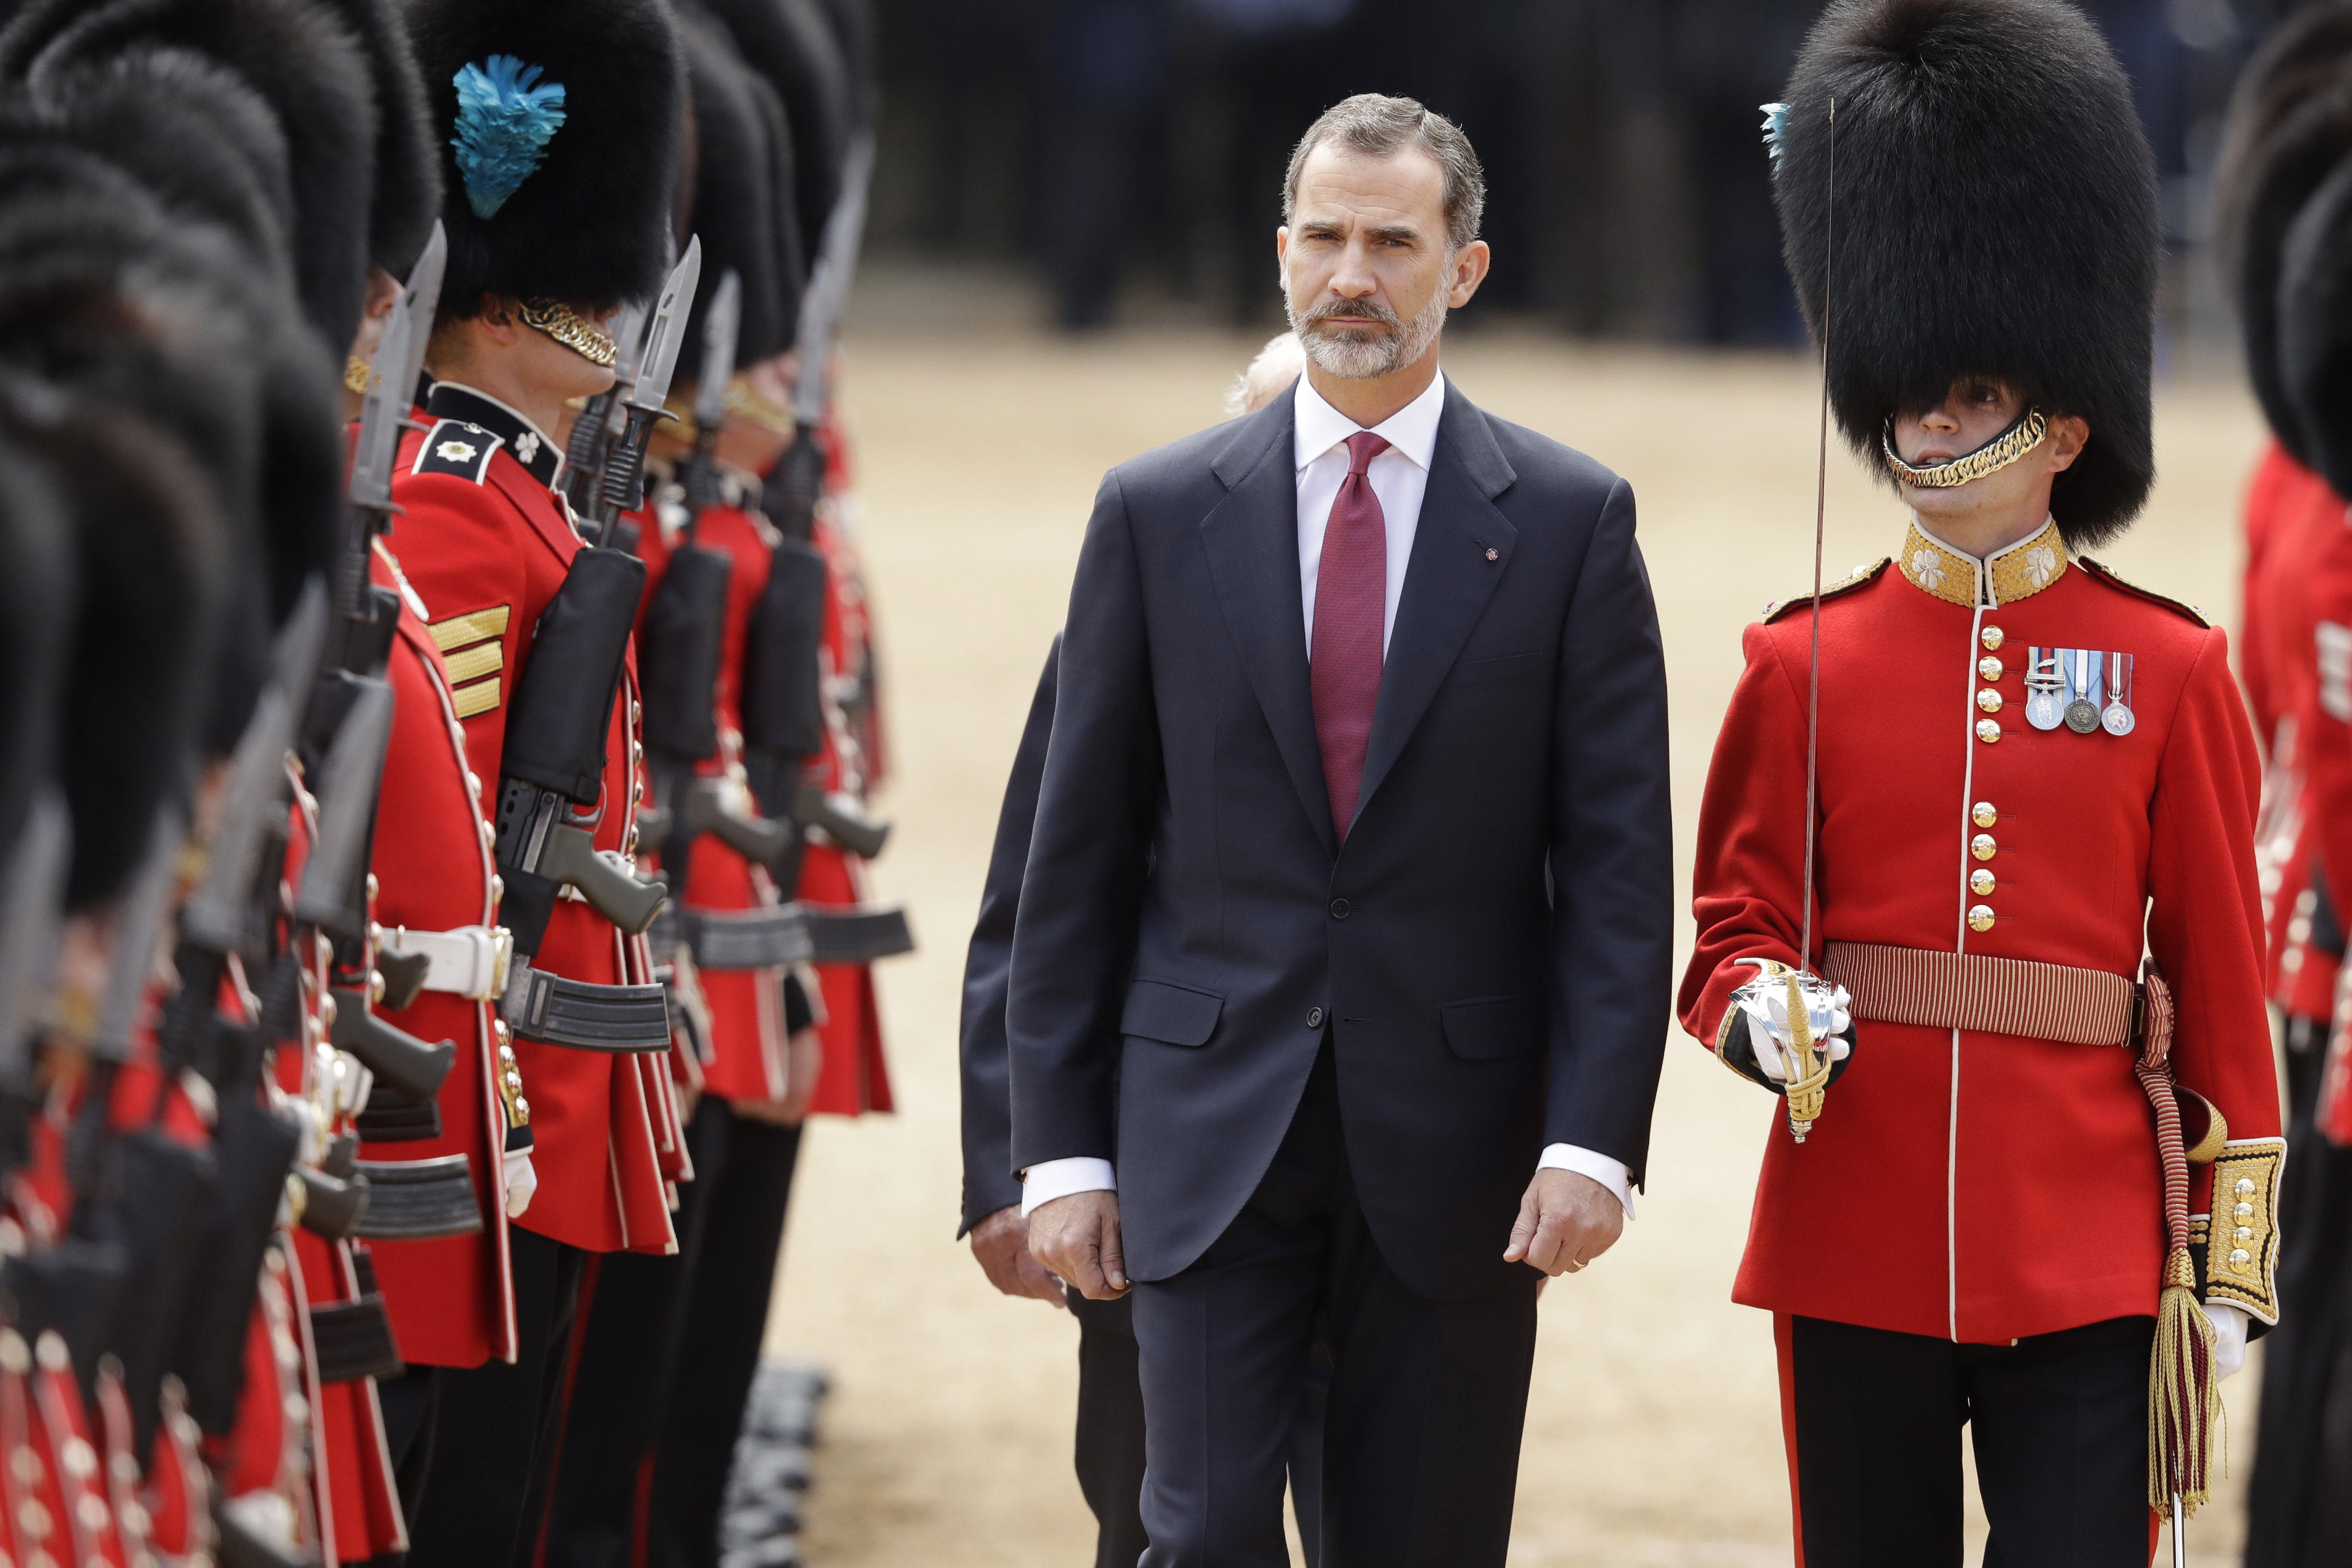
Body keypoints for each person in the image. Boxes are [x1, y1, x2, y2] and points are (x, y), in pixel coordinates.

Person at [1010, 93, 1674, 1566]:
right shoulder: (1156, 509)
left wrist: (1595, 1142)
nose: (1351, 275)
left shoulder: (1573, 523)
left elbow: (1621, 873)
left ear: (1467, 268)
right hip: (1199, 1134)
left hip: (1461, 1155)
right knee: (1199, 1532)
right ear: (1282, 252)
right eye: (1323, 237)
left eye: (1392, 240)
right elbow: (1078, 858)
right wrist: (1057, 1155)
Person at [1679, 3, 2283, 1562]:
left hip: (2087, 1242)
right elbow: (1734, 917)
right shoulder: (1798, 662)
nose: (1935, 425)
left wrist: (2224, 1263)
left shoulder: (2168, 668)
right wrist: (1760, 1005)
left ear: (2063, 424)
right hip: (1856, 1224)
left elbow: (2216, 965)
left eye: (1972, 399)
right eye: (1918, 399)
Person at [385, 2, 689, 1562]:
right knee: (464, 1489)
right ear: (503, 306)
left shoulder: (523, 492)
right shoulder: (454, 504)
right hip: (493, 1062)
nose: (613, 318)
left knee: (510, 1477)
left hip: (553, 1057)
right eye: (585, 290)